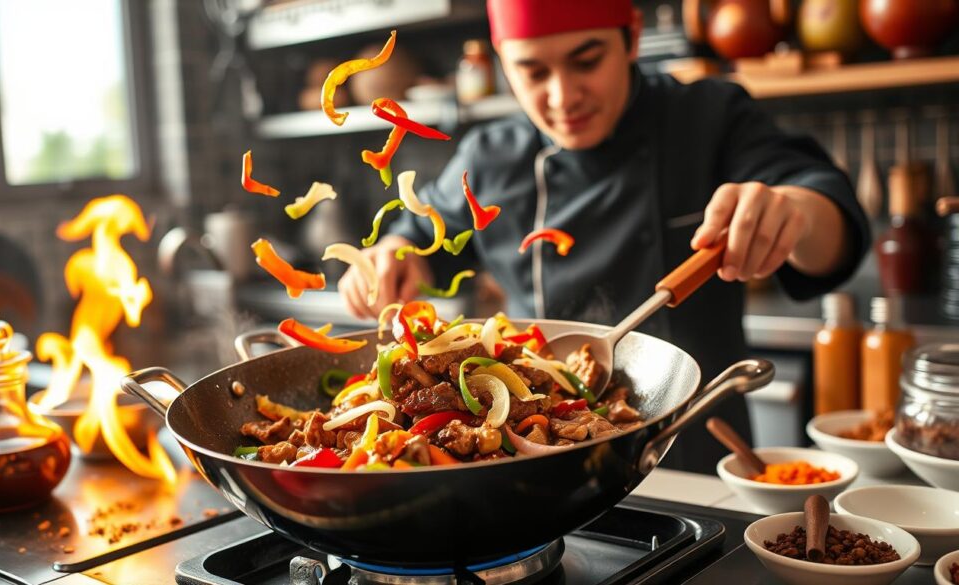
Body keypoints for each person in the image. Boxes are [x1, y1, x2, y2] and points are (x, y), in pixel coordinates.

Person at [338, 0, 869, 473]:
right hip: (534, 472)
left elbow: (829, 215)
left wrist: (795, 212)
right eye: (532, 70)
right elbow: (422, 233)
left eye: (586, 61)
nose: (563, 95)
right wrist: (389, 256)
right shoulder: (490, 157)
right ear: (503, 61)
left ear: (631, 37)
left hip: (697, 454)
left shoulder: (709, 117)